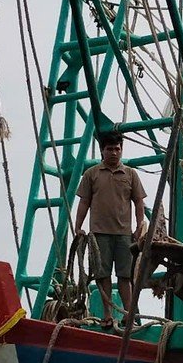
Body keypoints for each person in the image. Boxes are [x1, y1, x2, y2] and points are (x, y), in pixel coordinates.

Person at [73, 130, 148, 323]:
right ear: (102, 151)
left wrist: (140, 225)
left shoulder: (130, 174)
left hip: (124, 234)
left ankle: (128, 315)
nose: (114, 152)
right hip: (99, 234)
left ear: (121, 150)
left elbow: (139, 202)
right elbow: (84, 202)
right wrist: (78, 226)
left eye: (117, 149)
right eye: (110, 149)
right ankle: (107, 315)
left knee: (125, 276)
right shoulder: (91, 174)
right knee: (102, 275)